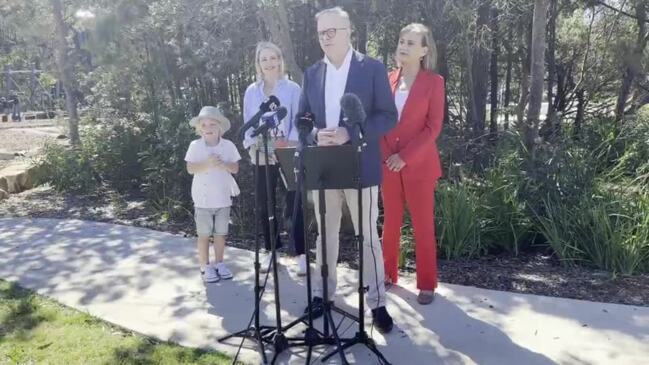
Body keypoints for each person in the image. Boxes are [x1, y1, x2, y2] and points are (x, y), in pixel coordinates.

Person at [299, 6, 397, 333]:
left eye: (332, 31)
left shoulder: (371, 68)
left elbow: (387, 115)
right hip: (325, 168)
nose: (326, 38)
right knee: (325, 234)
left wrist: (350, 133)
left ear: (348, 31)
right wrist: (314, 134)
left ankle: (377, 302)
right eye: (321, 33)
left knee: (367, 235)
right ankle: (322, 295)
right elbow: (304, 119)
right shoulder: (312, 73)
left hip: (361, 166)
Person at [381, 23, 445, 305]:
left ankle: (427, 284)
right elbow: (381, 121)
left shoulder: (434, 82)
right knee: (390, 222)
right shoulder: (388, 79)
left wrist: (404, 157)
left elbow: (433, 128)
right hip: (388, 165)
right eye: (401, 40)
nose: (403, 46)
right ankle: (387, 274)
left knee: (422, 225)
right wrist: (387, 158)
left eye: (411, 42)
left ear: (423, 50)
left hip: (418, 165)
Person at [242, 41, 307, 276]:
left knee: (294, 204)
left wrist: (287, 143)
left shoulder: (292, 89)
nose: (269, 63)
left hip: (288, 152)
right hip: (262, 154)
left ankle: (300, 254)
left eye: (273, 58)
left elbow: (300, 120)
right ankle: (271, 251)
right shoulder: (252, 91)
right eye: (264, 59)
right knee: (265, 203)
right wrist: (256, 146)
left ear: (280, 60)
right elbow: (248, 124)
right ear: (258, 64)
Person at [185, 106, 241, 283]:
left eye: (212, 124)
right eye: (204, 124)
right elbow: (190, 168)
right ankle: (205, 266)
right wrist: (207, 164)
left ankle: (219, 263)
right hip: (202, 200)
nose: (208, 127)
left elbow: (235, 168)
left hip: (223, 199)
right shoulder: (195, 146)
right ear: (199, 128)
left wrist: (224, 164)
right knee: (203, 235)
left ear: (220, 128)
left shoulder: (228, 146)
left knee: (220, 234)